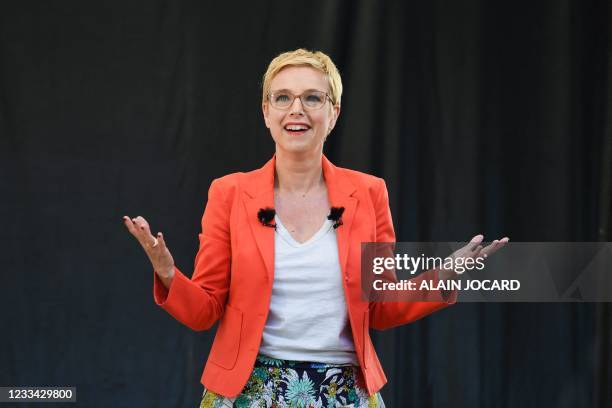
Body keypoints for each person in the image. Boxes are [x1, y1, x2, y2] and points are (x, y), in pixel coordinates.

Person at [123, 49, 509, 407]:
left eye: (312, 98)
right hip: (248, 391)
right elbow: (206, 310)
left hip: (345, 391)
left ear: (334, 113)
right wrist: (169, 274)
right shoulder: (229, 193)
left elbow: (382, 306)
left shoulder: (369, 193)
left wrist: (445, 275)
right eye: (283, 97)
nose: (297, 110)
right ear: (266, 112)